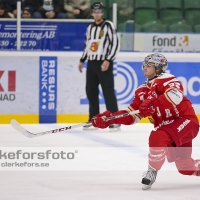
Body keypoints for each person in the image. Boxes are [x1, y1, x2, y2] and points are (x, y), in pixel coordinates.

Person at [91, 53, 200, 190]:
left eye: (149, 66)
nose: (145, 68)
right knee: (185, 167)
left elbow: (175, 96)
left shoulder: (167, 79)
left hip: (185, 122)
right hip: (171, 129)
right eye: (144, 65)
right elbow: (132, 115)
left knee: (157, 135)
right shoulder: (141, 91)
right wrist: (110, 118)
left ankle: (152, 171)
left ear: (159, 69)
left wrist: (153, 103)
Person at [78, 2, 120, 132]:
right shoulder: (90, 27)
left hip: (104, 62)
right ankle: (94, 118)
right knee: (91, 91)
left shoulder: (108, 25)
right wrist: (82, 60)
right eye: (94, 12)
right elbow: (88, 45)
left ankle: (114, 120)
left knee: (107, 91)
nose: (97, 14)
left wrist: (108, 60)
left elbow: (115, 44)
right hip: (92, 63)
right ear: (92, 13)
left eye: (99, 11)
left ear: (102, 13)